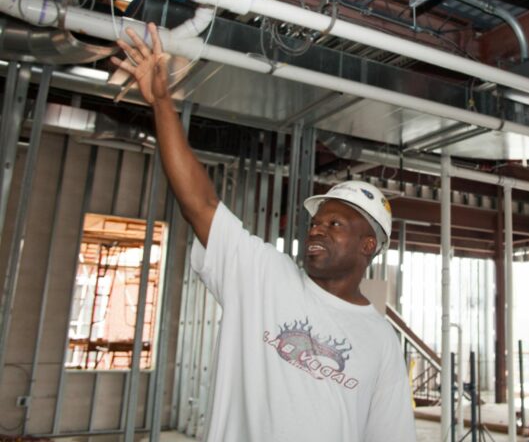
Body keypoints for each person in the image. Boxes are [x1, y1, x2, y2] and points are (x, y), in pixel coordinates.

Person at [112, 23, 416, 442]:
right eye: (315, 221)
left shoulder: (380, 341)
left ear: (368, 245)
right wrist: (162, 102)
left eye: (334, 224)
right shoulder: (263, 275)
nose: (317, 229)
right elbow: (200, 204)